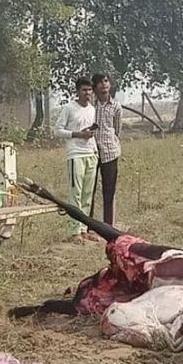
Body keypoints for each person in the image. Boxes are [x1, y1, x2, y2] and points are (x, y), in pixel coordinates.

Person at [54, 77, 99, 243]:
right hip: (76, 154)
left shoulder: (92, 109)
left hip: (90, 153)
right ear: (77, 91)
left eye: (89, 90)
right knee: (76, 193)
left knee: (88, 194)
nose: (87, 93)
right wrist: (77, 134)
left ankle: (84, 228)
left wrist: (92, 143)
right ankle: (74, 231)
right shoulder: (69, 108)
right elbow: (57, 130)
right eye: (84, 90)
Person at [89, 73, 122, 226]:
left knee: (109, 191)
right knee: (89, 190)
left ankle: (109, 226)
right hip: (91, 152)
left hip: (110, 152)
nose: (104, 85)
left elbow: (117, 129)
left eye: (106, 81)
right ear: (95, 87)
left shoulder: (116, 106)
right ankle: (87, 225)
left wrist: (112, 142)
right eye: (100, 82)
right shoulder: (90, 105)